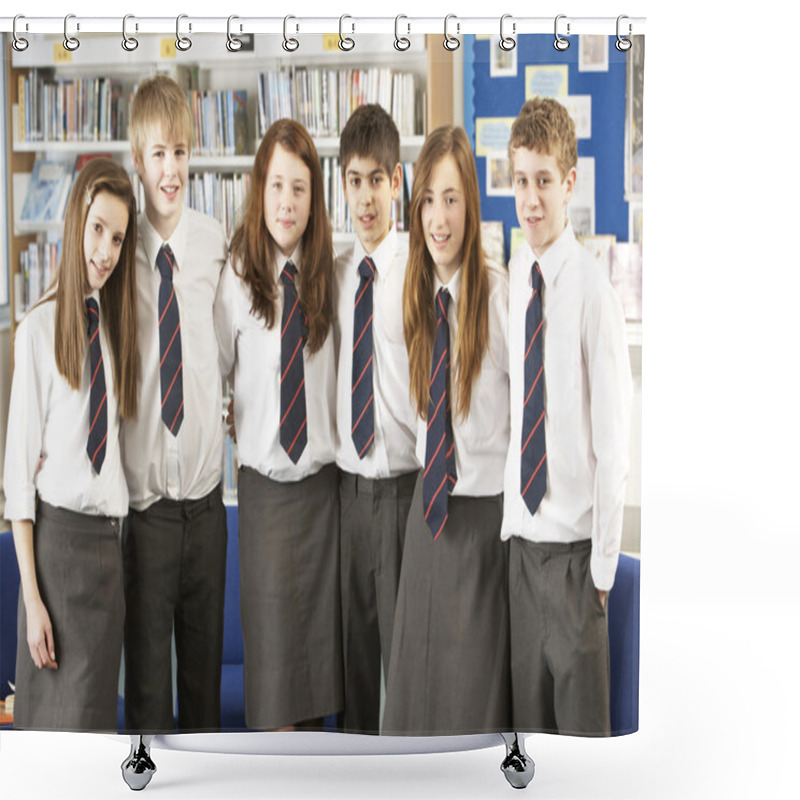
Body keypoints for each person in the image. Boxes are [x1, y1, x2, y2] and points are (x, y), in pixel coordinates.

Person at [502, 97, 633, 735]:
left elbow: (613, 446)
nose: (531, 199)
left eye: (544, 181)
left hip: (578, 564)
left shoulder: (593, 292)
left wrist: (602, 570)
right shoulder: (517, 275)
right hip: (521, 555)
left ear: (570, 184)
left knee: (581, 752)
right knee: (525, 745)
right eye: (520, 180)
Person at [382, 126, 511, 735]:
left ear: (472, 206)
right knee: (414, 703)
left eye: (452, 199)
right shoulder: (415, 302)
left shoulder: (502, 302)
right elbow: (414, 422)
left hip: (482, 530)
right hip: (425, 523)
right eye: (428, 199)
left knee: (470, 712)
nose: (439, 217)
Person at [213, 118, 342, 731]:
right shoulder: (235, 277)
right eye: (276, 186)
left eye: (300, 189)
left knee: (318, 683)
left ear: (314, 198)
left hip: (324, 499)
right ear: (257, 188)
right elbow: (211, 375)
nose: (287, 203)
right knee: (273, 689)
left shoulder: (332, 277)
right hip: (263, 496)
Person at [3, 158, 138, 731]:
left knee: (93, 745)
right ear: (74, 221)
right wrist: (33, 604)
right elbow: (18, 487)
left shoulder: (112, 331)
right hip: (57, 562)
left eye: (117, 238)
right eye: (97, 229)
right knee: (52, 749)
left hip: (107, 561)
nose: (105, 251)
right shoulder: (36, 331)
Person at [121, 74, 228, 733]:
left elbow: (229, 343)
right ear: (138, 159)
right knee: (150, 698)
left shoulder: (214, 240)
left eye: (181, 153)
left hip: (208, 508)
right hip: (148, 514)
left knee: (204, 689)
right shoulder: (120, 247)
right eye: (158, 154)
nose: (171, 170)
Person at [333, 104, 418, 734]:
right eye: (354, 181)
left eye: (376, 181)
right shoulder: (335, 274)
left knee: (405, 659)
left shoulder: (418, 268)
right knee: (355, 664)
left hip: (403, 493)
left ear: (396, 180)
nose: (366, 198)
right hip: (346, 497)